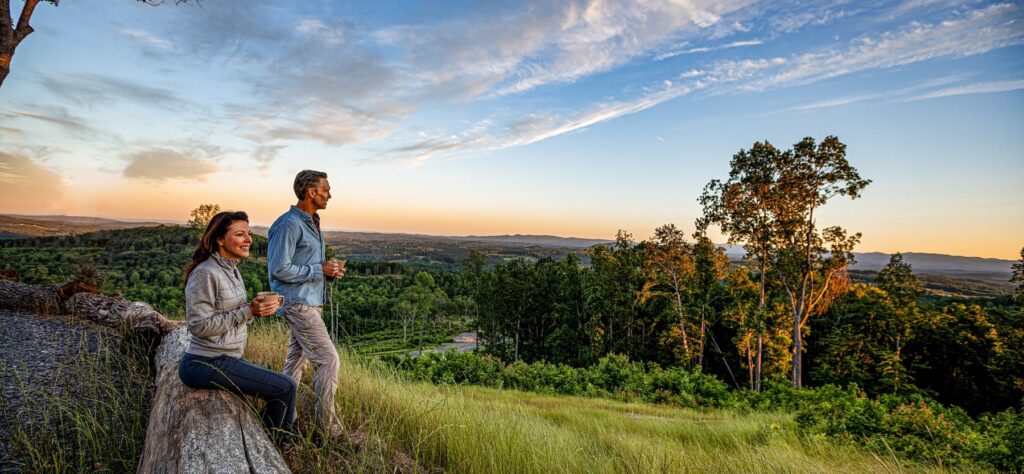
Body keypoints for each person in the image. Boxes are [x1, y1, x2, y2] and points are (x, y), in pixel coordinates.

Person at [178, 211, 297, 445]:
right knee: (285, 387)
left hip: (226, 357)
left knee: (279, 383)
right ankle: (276, 445)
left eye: (249, 234)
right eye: (240, 234)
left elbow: (234, 313)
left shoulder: (231, 269)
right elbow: (199, 326)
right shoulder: (205, 272)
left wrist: (255, 309)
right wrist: (247, 312)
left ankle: (265, 439)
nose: (248, 240)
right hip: (205, 362)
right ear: (220, 239)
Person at [267, 170, 345, 437]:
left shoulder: (312, 222)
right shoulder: (289, 224)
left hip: (310, 303)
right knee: (328, 360)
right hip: (298, 305)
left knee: (295, 363)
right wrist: (318, 270)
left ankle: (282, 420)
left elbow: (311, 267)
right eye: (326, 189)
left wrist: (329, 273)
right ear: (311, 192)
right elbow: (279, 269)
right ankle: (328, 431)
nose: (330, 194)